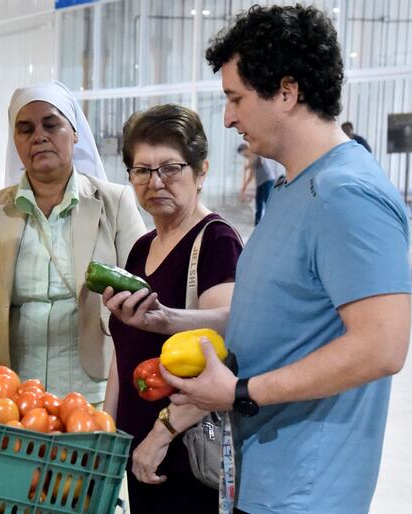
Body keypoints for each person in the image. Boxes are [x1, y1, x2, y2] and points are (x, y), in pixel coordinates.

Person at [160, 6, 411, 514]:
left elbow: (383, 347)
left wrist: (243, 391)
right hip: (265, 479)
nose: (228, 116)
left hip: (308, 492)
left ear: (288, 92)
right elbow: (279, 315)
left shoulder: (346, 194)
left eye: (236, 98)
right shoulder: (295, 186)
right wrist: (171, 320)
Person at [0, 81, 146, 404]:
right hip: (11, 394)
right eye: (25, 129)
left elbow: (142, 292)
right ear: (15, 141)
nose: (38, 136)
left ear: (74, 133)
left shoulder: (115, 203)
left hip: (94, 392)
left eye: (51, 124)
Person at [101, 104, 243, 513]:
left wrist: (158, 438)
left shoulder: (215, 242)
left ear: (201, 172)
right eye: (141, 170)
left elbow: (224, 358)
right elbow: (122, 350)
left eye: (170, 168)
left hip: (184, 453)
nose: (155, 181)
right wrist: (108, 430)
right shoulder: (142, 247)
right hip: (136, 443)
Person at [237, 142, 276, 225]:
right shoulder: (250, 159)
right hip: (260, 183)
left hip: (267, 180)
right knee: (258, 203)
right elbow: (251, 175)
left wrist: (248, 166)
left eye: (243, 153)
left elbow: (260, 161)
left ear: (246, 149)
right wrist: (244, 186)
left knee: (267, 201)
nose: (244, 156)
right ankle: (257, 224)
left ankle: (272, 222)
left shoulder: (256, 152)